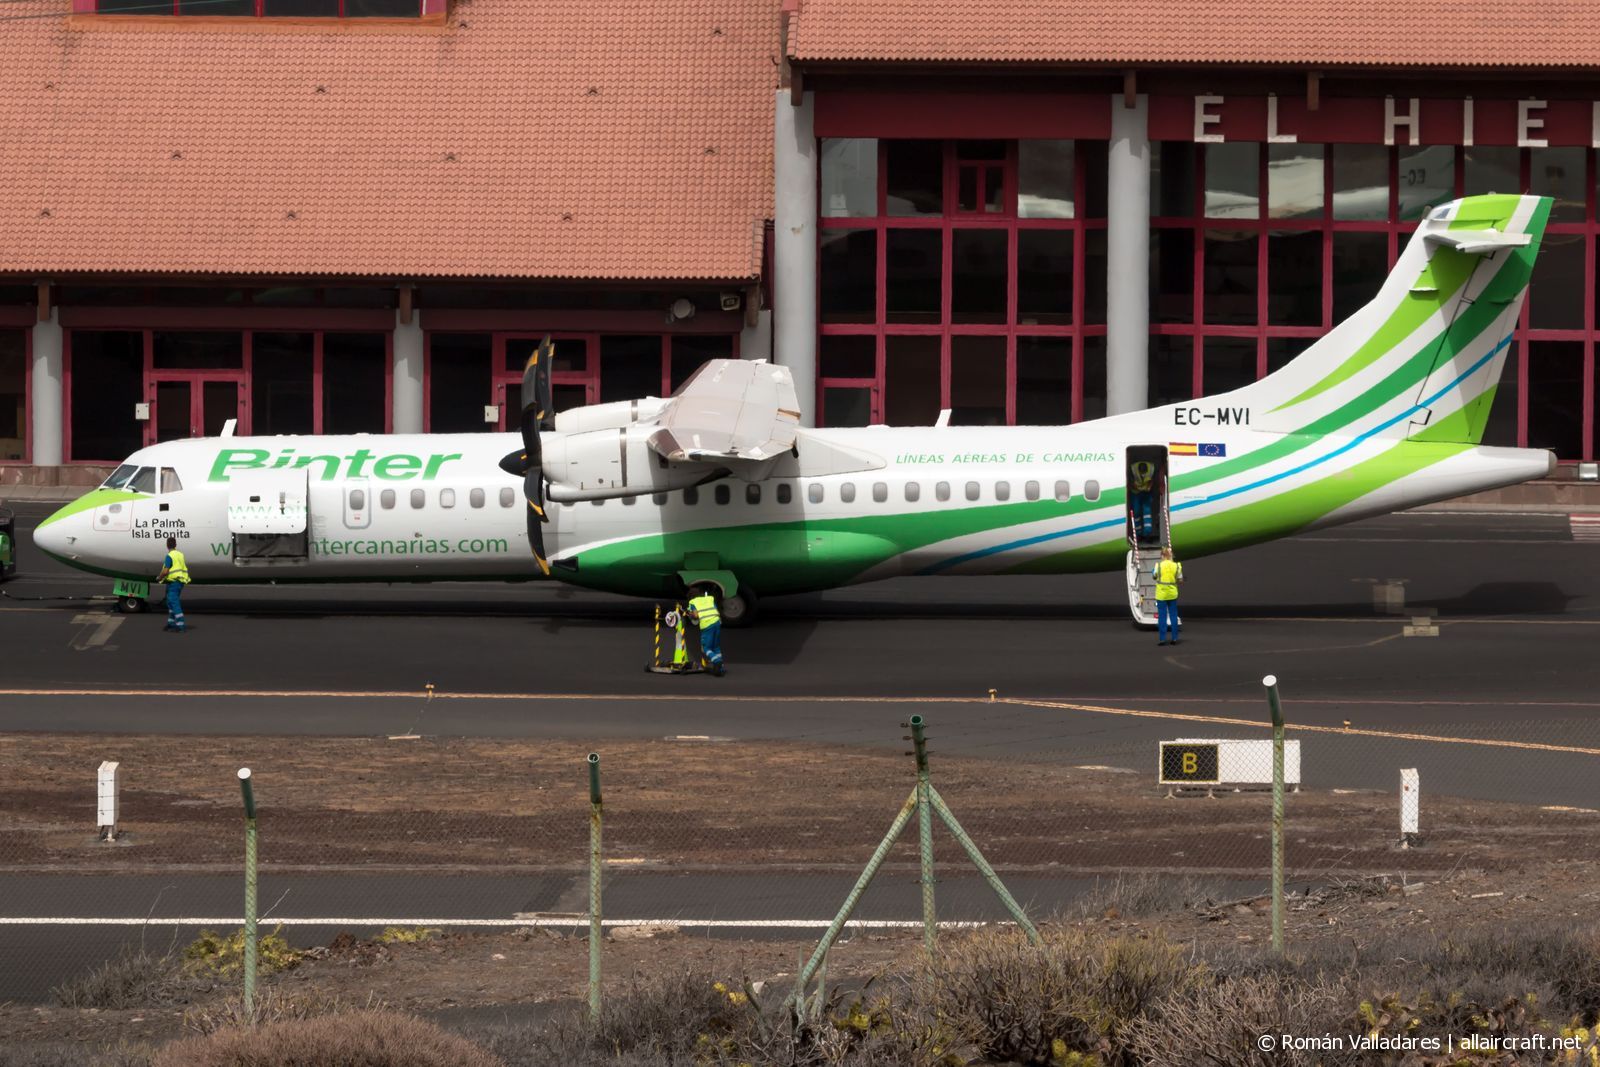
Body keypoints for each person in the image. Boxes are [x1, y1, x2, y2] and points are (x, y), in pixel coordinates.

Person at [686, 583, 725, 676]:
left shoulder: (692, 602)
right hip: (717, 622)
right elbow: (715, 609)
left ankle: (717, 661)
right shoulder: (709, 598)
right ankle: (721, 668)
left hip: (707, 625)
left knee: (706, 648)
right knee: (716, 647)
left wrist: (689, 614)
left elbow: (695, 616)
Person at [154, 537, 190, 633]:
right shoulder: (180, 555)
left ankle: (180, 625)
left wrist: (159, 578)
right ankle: (171, 623)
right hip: (179, 581)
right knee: (170, 603)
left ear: (167, 545)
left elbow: (165, 571)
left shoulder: (169, 556)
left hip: (173, 582)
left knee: (174, 602)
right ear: (175, 545)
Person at [1151, 546, 1183, 646]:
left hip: (1161, 594)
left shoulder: (1158, 565)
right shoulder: (1177, 565)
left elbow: (1154, 576)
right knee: (1173, 616)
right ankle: (1174, 638)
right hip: (1172, 593)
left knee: (1162, 617)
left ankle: (1162, 639)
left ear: (1162, 555)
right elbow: (1180, 579)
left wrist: (1154, 572)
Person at [1129, 460, 1157, 540]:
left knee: (1147, 512)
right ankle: (1138, 535)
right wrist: (1139, 488)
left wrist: (1149, 487)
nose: (1143, 475)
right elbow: (1130, 482)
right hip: (1135, 492)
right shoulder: (1132, 469)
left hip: (1147, 492)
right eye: (1142, 474)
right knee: (1136, 512)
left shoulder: (1152, 468)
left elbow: (1153, 481)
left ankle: (1147, 534)